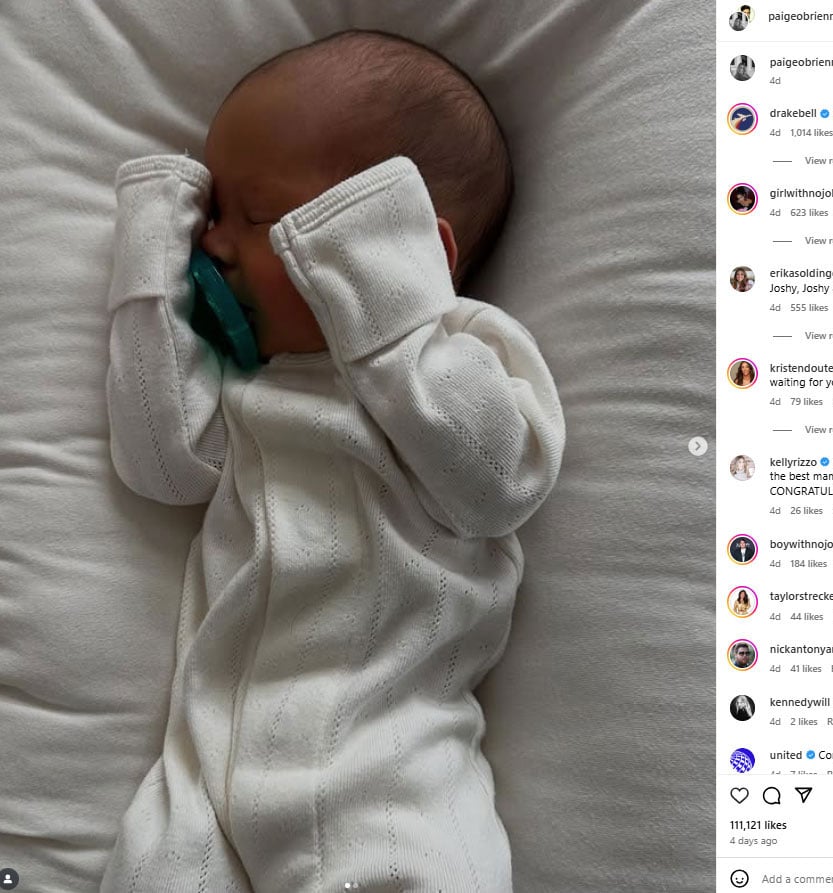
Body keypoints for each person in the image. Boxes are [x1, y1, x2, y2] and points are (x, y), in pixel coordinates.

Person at [101, 30, 566, 891]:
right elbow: (159, 463)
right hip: (204, 776)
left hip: (388, 773)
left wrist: (391, 316)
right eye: (211, 217)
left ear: (399, 250)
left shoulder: (459, 353)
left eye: (253, 217)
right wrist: (151, 258)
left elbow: (501, 482)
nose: (214, 245)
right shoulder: (250, 387)